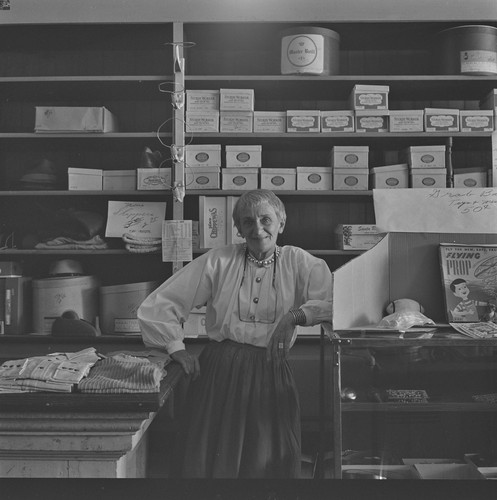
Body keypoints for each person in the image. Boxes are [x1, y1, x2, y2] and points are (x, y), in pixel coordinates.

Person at [137, 189, 332, 478]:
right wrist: (175, 346)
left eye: (266, 219)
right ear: (238, 228)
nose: (258, 229)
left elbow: (333, 302)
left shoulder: (300, 262)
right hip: (220, 371)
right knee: (211, 463)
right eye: (248, 222)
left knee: (265, 463)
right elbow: (162, 303)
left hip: (271, 371)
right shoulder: (219, 260)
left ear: (281, 222)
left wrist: (296, 316)